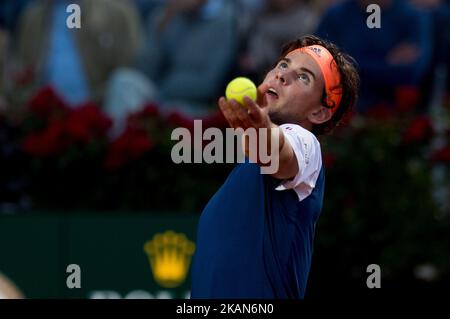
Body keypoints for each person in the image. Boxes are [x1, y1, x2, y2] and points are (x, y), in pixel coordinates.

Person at [190, 35, 360, 298]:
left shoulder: (307, 145)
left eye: (304, 77)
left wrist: (261, 133)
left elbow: (277, 151)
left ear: (319, 113)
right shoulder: (244, 172)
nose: (283, 76)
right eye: (283, 65)